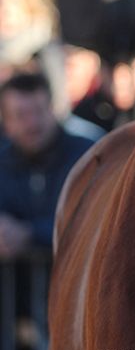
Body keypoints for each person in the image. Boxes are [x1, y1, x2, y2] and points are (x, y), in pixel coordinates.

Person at [0, 73, 94, 254]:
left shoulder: (88, 156)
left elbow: (92, 218)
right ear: (7, 123)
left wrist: (30, 233)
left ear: (52, 109)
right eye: (21, 115)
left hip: (77, 277)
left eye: (38, 111)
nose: (32, 123)